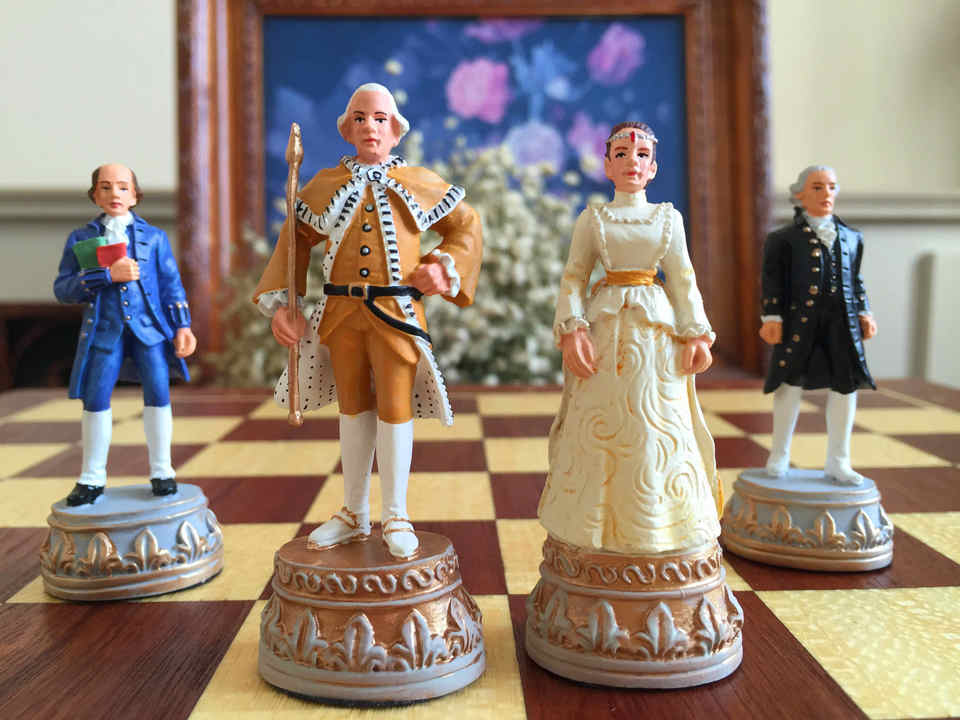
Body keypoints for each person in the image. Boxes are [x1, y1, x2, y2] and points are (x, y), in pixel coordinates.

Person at [254, 83, 482, 559]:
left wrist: (443, 267)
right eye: (360, 117)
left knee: (395, 407)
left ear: (396, 130)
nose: (369, 127)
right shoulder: (324, 184)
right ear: (347, 128)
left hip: (396, 314)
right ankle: (354, 511)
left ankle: (395, 513)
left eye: (379, 118)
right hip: (341, 314)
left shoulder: (419, 182)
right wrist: (284, 303)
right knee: (353, 407)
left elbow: (465, 226)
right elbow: (294, 240)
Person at [537, 122, 721, 554]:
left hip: (656, 335)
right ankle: (595, 527)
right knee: (603, 422)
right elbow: (574, 278)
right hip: (604, 333)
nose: (631, 162)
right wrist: (572, 329)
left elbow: (683, 279)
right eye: (621, 154)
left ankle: (662, 524)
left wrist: (696, 333)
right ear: (607, 165)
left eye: (641, 155)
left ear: (653, 168)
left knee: (655, 421)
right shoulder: (593, 219)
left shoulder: (668, 219)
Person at [54, 163, 197, 506]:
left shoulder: (155, 238)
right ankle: (92, 477)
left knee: (159, 394)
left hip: (149, 332)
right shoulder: (80, 239)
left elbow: (171, 285)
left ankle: (162, 471)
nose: (114, 194)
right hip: (106, 333)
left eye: (122, 187)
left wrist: (183, 326)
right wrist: (105, 276)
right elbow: (63, 289)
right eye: (105, 187)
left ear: (134, 195)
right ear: (94, 195)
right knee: (96, 399)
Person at [759, 166, 877, 485]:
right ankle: (779, 454)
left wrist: (864, 312)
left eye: (831, 187)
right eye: (817, 187)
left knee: (845, 385)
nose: (826, 194)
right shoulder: (782, 239)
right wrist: (772, 317)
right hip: (799, 323)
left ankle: (839, 461)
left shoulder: (853, 237)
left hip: (842, 324)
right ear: (800, 194)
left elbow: (856, 280)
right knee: (789, 382)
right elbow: (772, 281)